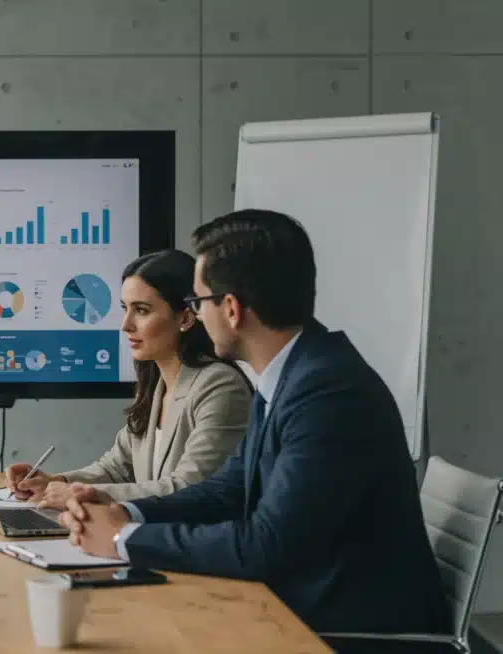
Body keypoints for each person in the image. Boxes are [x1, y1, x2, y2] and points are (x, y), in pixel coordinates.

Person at [59, 210, 449, 643]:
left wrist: (122, 539)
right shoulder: (292, 374)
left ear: (230, 309)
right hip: (305, 610)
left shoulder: (329, 394)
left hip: (350, 634)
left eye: (197, 303)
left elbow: (265, 547)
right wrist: (126, 513)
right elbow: (227, 490)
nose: (196, 316)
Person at [4, 250, 251, 507]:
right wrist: (56, 482)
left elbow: (190, 487)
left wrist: (80, 495)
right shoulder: (157, 384)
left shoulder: (220, 387)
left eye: (141, 311)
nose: (125, 324)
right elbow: (116, 468)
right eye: (125, 309)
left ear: (186, 318)